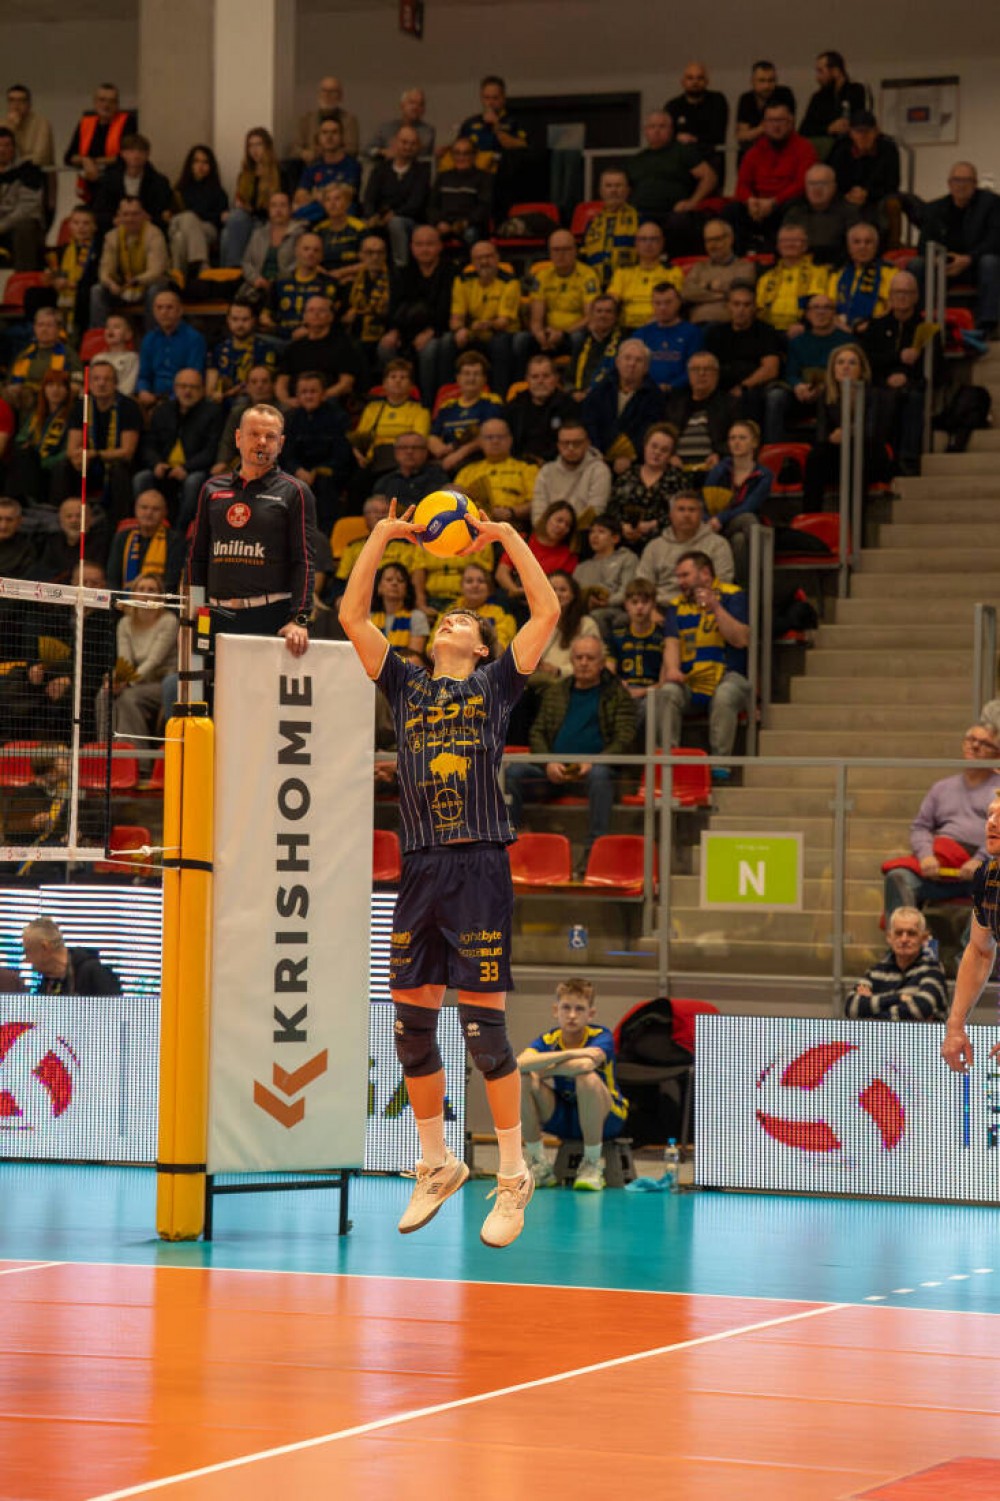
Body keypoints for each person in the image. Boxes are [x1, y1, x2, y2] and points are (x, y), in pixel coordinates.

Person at [339, 494, 560, 1248]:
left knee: (484, 1030)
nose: (451, 622)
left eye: (464, 620)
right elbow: (352, 615)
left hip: (478, 864)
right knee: (410, 1026)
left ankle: (513, 1172)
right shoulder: (404, 685)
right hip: (420, 866)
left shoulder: (495, 685)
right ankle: (436, 1162)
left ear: (481, 645)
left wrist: (504, 536)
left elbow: (547, 610)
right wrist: (380, 535)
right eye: (445, 619)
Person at [186, 402, 316, 658]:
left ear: (281, 443)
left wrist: (299, 620)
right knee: (209, 683)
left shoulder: (295, 491)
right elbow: (197, 557)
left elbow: (304, 561)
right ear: (238, 438)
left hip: (268, 615)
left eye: (270, 436)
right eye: (254, 434)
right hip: (214, 614)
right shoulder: (211, 489)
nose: (262, 442)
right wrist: (194, 608)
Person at [505, 633, 636, 872]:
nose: (584, 663)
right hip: (554, 773)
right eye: (579, 657)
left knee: (600, 776)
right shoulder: (557, 691)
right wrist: (547, 764)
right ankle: (509, 847)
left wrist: (593, 762)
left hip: (593, 774)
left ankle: (594, 853)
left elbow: (624, 739)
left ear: (602, 662)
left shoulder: (617, 694)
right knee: (512, 773)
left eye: (590, 658)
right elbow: (537, 733)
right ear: (572, 660)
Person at [518, 978, 629, 1191]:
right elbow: (519, 1064)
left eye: (579, 1009)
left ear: (591, 1014)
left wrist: (544, 1069)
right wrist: (571, 1054)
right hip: (566, 1116)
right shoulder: (549, 1039)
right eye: (566, 1008)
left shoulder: (602, 1036)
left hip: (608, 1118)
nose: (571, 1015)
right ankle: (539, 1164)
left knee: (585, 1077)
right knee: (523, 1080)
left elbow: (585, 1065)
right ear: (555, 1010)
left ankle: (592, 1165)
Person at [884, 725, 1000, 923]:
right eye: (971, 739)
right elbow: (921, 826)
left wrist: (981, 860)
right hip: (939, 866)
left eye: (984, 743)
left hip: (983, 868)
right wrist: (926, 856)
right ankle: (907, 938)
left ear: (996, 754)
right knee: (898, 876)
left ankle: (969, 945)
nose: (975, 746)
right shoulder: (942, 788)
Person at [659, 549, 750, 777]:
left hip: (728, 676)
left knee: (725, 694)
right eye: (678, 576)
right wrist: (673, 669)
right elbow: (671, 643)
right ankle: (667, 764)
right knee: (667, 692)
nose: (680, 582)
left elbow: (740, 639)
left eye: (685, 575)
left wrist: (715, 607)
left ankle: (720, 765)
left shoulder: (733, 595)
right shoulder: (676, 606)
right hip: (691, 679)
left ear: (706, 574)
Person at [941, 794, 1000, 1074]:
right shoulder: (988, 876)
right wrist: (955, 1026)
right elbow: (979, 951)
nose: (992, 823)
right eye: (990, 815)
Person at [913, 163, 1000, 339]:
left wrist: (968, 259)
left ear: (975, 183)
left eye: (967, 180)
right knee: (916, 265)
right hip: (944, 267)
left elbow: (995, 239)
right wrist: (938, 261)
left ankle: (987, 326)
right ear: (949, 183)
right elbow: (923, 245)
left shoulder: (991, 204)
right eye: (957, 180)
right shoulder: (934, 209)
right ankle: (917, 322)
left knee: (990, 262)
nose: (961, 185)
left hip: (975, 266)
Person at [863, 270, 937, 476]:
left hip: (913, 383)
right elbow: (867, 360)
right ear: (890, 296)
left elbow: (936, 366)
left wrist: (907, 377)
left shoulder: (927, 329)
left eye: (907, 292)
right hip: (881, 382)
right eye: (897, 292)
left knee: (913, 397)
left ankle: (908, 458)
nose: (902, 297)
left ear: (916, 296)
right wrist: (895, 360)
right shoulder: (875, 326)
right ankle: (876, 459)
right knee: (876, 396)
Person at [96, 570, 178, 754]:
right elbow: (125, 660)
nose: (146, 593)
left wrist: (128, 683)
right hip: (136, 681)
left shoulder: (169, 621)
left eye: (152, 589)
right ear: (133, 594)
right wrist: (117, 680)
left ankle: (137, 759)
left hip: (161, 682)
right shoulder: (125, 623)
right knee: (104, 693)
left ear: (160, 596)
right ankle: (105, 752)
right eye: (141, 589)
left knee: (128, 698)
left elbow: (154, 661)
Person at [802, 343, 890, 509]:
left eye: (852, 363)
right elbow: (821, 434)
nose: (846, 367)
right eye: (840, 362)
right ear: (833, 369)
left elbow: (872, 432)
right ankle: (811, 515)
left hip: (868, 454)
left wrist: (848, 432)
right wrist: (832, 437)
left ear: (861, 370)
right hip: (837, 454)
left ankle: (853, 521)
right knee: (815, 457)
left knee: (856, 457)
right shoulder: (826, 396)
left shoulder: (875, 395)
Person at [379, 225, 456, 405]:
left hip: (439, 329)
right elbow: (396, 306)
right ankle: (399, 399)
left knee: (429, 349)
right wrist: (394, 331)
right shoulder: (404, 272)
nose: (424, 249)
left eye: (429, 244)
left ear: (440, 246)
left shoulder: (450, 272)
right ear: (412, 247)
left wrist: (431, 331)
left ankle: (427, 403)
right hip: (408, 329)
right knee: (384, 348)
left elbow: (448, 308)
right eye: (419, 245)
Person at [134, 368, 222, 528]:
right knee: (141, 478)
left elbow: (211, 450)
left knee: (193, 482)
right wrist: (156, 463)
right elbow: (148, 444)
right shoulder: (162, 410)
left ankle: (180, 530)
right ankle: (145, 526)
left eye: (193, 387)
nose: (187, 391)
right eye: (183, 386)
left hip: (194, 469)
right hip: (164, 467)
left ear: (202, 390)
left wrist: (186, 468)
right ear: (175, 388)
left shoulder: (213, 412)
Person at [764, 290, 851, 442]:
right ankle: (772, 448)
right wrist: (798, 386)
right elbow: (791, 373)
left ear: (834, 313)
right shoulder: (798, 342)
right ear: (808, 314)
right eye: (815, 308)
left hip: (833, 394)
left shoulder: (847, 341)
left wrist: (823, 388)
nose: (820, 312)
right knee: (775, 397)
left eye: (826, 308)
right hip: (802, 394)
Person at [728, 103, 817, 251]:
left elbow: (802, 184)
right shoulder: (754, 151)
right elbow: (742, 185)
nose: (776, 126)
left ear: (790, 122)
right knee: (732, 210)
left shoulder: (804, 148)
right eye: (771, 121)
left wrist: (774, 201)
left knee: (795, 208)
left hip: (786, 203)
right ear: (764, 124)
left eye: (780, 120)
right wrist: (751, 201)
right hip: (758, 206)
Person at [703, 281, 785, 427]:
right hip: (722, 386)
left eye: (747, 305)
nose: (741, 310)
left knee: (749, 397)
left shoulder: (765, 332)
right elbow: (707, 364)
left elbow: (770, 369)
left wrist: (743, 387)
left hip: (753, 387)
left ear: (754, 308)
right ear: (728, 306)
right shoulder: (716, 333)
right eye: (736, 304)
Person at [517, 229, 601, 370]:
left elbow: (590, 316)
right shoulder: (542, 277)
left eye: (566, 249)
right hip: (549, 334)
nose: (561, 255)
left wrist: (564, 333)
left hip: (573, 333)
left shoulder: (588, 275)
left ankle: (574, 379)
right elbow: (536, 318)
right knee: (521, 340)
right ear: (550, 253)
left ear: (575, 251)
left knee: (578, 338)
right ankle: (523, 380)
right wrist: (540, 334)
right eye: (556, 250)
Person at [846, 908, 949, 1022]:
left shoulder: (933, 970)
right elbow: (852, 1007)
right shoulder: (875, 971)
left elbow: (921, 1009)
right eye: (898, 933)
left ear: (924, 938)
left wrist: (873, 1013)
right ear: (889, 937)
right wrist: (899, 998)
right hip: (881, 1034)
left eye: (911, 933)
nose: (904, 939)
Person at [701, 419, 772, 585]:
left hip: (740, 524)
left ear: (754, 443)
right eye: (732, 438)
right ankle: (757, 585)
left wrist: (721, 518)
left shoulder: (763, 475)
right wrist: (710, 520)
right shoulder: (720, 469)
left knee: (742, 533)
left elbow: (749, 506)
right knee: (747, 525)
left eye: (742, 438)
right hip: (714, 525)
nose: (736, 442)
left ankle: (747, 591)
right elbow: (705, 501)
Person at [281, 371, 353, 530]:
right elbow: (286, 453)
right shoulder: (290, 418)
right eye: (304, 392)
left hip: (328, 472)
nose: (308, 396)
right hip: (298, 472)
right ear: (297, 396)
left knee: (325, 485)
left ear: (323, 394)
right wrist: (298, 470)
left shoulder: (338, 417)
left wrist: (316, 471)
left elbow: (341, 454)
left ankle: (325, 534)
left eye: (313, 391)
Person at [636, 490, 734, 606]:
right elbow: (643, 585)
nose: (686, 515)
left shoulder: (718, 544)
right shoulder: (654, 546)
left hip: (702, 607)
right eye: (681, 509)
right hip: (660, 607)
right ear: (671, 514)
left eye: (692, 510)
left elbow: (723, 582)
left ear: (701, 515)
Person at [448, 239, 520, 397]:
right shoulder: (462, 280)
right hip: (474, 333)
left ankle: (499, 396)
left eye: (488, 256)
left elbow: (503, 322)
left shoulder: (510, 281)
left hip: (500, 333)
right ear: (472, 262)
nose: (484, 262)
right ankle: (448, 396)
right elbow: (456, 318)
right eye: (479, 258)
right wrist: (460, 330)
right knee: (447, 342)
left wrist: (481, 325)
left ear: (497, 258)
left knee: (499, 343)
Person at [581, 340, 666, 471]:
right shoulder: (601, 389)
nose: (632, 364)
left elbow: (650, 432)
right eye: (627, 358)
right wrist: (598, 455)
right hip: (597, 457)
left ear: (646, 368)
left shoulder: (655, 397)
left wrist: (630, 457)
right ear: (617, 362)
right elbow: (589, 423)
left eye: (638, 360)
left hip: (636, 462)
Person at [626, 111, 717, 233]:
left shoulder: (683, 152)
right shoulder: (637, 159)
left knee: (680, 221)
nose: (656, 130)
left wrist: (692, 202)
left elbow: (709, 177)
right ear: (645, 131)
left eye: (662, 126)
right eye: (652, 127)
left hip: (672, 213)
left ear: (671, 130)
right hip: (639, 214)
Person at [604, 421, 686, 551]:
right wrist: (622, 526)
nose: (657, 452)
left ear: (671, 455)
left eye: (664, 450)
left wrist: (653, 524)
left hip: (664, 544)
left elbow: (683, 513)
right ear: (645, 446)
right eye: (654, 446)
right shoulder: (627, 476)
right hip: (623, 543)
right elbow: (612, 508)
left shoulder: (678, 479)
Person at [89, 196, 169, 328]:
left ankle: (152, 335)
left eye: (135, 214)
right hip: (123, 286)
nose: (130, 219)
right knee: (97, 290)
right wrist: (111, 284)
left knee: (155, 289)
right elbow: (104, 271)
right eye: (126, 214)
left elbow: (156, 271)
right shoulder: (111, 236)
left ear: (143, 215)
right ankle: (99, 335)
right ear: (119, 216)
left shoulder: (154, 234)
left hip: (147, 284)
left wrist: (136, 280)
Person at [274, 292, 360, 406]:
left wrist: (317, 398)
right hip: (296, 403)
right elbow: (281, 382)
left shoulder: (344, 345)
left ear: (331, 316)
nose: (316, 314)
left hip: (328, 401)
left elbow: (346, 383)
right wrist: (286, 400)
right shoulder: (294, 348)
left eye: (321, 310)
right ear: (304, 317)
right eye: (311, 310)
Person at [362, 126, 430, 268]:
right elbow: (369, 198)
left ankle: (400, 267)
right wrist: (372, 215)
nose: (408, 147)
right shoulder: (380, 169)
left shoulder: (422, 171)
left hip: (409, 220)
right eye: (404, 142)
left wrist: (394, 214)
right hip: (380, 217)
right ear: (395, 142)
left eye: (412, 144)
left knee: (396, 223)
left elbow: (415, 204)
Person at [427, 349, 504, 475]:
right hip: (446, 460)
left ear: (484, 379)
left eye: (476, 374)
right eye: (467, 374)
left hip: (475, 460)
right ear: (458, 378)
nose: (471, 378)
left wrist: (458, 454)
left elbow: (487, 436)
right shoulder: (447, 406)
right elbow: (433, 436)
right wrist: (441, 450)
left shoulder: (492, 402)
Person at [607, 576, 665, 740]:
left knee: (648, 706)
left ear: (653, 604)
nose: (640, 607)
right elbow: (609, 672)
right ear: (626, 605)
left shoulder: (663, 636)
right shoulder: (617, 635)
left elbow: (664, 681)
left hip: (652, 691)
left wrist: (643, 691)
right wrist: (619, 684)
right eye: (634, 602)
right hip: (625, 690)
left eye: (645, 602)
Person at [6, 369, 73, 507]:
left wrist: (44, 461)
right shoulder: (36, 414)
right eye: (51, 385)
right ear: (44, 389)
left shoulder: (73, 415)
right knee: (21, 455)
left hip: (54, 467)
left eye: (60, 386)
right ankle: (14, 504)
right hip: (33, 464)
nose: (55, 390)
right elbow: (20, 439)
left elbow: (68, 451)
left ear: (67, 390)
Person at [454, 417, 538, 525]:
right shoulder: (466, 471)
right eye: (489, 437)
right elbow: (454, 501)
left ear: (510, 440)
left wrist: (512, 512)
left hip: (513, 526)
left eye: (500, 437)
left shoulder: (528, 469)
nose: (495, 441)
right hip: (473, 526)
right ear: (480, 442)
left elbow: (536, 503)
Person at [829, 110, 901, 233]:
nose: (862, 136)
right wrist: (849, 194)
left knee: (892, 203)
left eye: (867, 131)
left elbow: (892, 183)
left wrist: (867, 193)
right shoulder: (841, 148)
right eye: (858, 131)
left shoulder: (888, 149)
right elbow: (834, 178)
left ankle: (893, 243)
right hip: (847, 196)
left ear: (876, 132)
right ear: (850, 133)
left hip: (878, 196)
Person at [63, 82, 136, 202]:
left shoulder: (127, 122)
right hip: (90, 188)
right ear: (95, 102)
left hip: (117, 186)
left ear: (117, 105)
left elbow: (126, 156)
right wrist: (85, 160)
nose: (106, 105)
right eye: (102, 100)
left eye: (111, 101)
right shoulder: (85, 123)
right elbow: (69, 157)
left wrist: (93, 162)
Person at [220, 126, 282, 267]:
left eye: (259, 144)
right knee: (228, 230)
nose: (254, 150)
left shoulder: (279, 173)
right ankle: (230, 272)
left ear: (267, 147)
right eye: (250, 146)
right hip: (246, 219)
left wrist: (249, 210)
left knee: (230, 230)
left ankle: (233, 270)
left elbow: (280, 206)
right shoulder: (245, 175)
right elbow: (239, 201)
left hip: (266, 221)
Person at [531, 421, 611, 529]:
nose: (571, 448)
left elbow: (595, 512)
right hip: (548, 533)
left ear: (587, 443)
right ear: (558, 445)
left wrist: (566, 530)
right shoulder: (546, 471)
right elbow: (538, 514)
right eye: (565, 443)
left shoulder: (599, 470)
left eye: (577, 443)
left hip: (583, 533)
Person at [136, 287, 207, 408]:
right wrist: (143, 391)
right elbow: (144, 375)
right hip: (154, 397)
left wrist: (173, 400)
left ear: (180, 311)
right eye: (159, 308)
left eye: (169, 307)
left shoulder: (194, 339)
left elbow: (193, 376)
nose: (164, 312)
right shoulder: (149, 339)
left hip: (184, 398)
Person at [665, 351, 737, 471]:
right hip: (676, 468)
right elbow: (663, 435)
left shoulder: (731, 404)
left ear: (717, 374)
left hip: (715, 469)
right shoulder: (674, 405)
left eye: (707, 369)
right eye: (695, 369)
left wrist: (720, 455)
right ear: (688, 375)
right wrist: (670, 455)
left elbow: (741, 438)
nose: (701, 373)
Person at [91, 132, 172, 237]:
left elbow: (165, 216)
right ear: (122, 154)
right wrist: (114, 220)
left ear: (147, 154)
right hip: (115, 229)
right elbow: (98, 211)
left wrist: (149, 219)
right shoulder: (109, 180)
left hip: (148, 231)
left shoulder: (159, 181)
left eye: (141, 151)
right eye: (131, 151)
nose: (136, 155)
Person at [504, 354, 579, 465]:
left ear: (556, 378)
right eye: (535, 377)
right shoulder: (514, 407)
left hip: (558, 466)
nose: (540, 381)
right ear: (527, 379)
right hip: (519, 466)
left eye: (546, 376)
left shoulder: (569, 406)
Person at [607, 222, 682, 331]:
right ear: (636, 243)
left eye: (654, 239)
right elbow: (610, 302)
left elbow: (674, 305)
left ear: (662, 243)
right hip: (625, 329)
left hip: (660, 327)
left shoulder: (673, 272)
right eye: (643, 239)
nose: (648, 244)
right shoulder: (623, 272)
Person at [169, 143, 229, 279]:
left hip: (207, 229)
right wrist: (196, 215)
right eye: (196, 161)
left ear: (211, 166)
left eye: (205, 162)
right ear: (190, 165)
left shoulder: (218, 192)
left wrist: (195, 215)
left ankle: (178, 277)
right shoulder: (179, 189)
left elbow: (220, 218)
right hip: (181, 225)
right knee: (186, 222)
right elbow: (173, 215)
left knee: (180, 237)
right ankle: (202, 265)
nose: (200, 166)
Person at [496, 501, 580, 599]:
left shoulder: (569, 556)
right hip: (512, 595)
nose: (562, 526)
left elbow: (562, 588)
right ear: (547, 518)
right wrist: (515, 591)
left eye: (567, 525)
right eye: (559, 520)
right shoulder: (522, 540)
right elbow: (501, 573)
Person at [6, 306, 82, 413]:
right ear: (34, 328)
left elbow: (76, 385)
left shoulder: (69, 354)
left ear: (59, 329)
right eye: (40, 325)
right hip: (22, 404)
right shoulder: (24, 355)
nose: (44, 329)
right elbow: (10, 383)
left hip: (54, 405)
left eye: (49, 325)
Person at [106, 488, 184, 592]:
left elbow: (172, 582)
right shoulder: (122, 537)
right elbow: (112, 580)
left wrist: (145, 592)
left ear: (165, 513)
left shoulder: (175, 541)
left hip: (159, 599)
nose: (149, 513)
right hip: (124, 599)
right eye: (144, 507)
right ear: (136, 509)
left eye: (155, 509)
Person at [783, 163, 860, 267]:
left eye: (823, 184)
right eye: (812, 184)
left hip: (838, 267)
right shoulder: (795, 212)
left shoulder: (850, 212)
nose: (817, 189)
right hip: (799, 268)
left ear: (834, 187)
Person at [754, 223, 827, 333]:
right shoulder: (766, 277)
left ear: (805, 245)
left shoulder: (819, 273)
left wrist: (805, 326)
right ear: (778, 246)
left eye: (795, 240)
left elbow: (818, 306)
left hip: (805, 330)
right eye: (785, 241)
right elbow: (759, 309)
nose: (790, 244)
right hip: (769, 331)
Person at [664, 62, 729, 184]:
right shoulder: (673, 106)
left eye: (700, 78)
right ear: (682, 82)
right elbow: (666, 136)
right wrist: (677, 137)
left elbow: (717, 134)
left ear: (707, 81)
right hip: (682, 166)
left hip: (711, 161)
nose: (695, 82)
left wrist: (693, 139)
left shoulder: (717, 100)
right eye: (690, 78)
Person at [205, 299, 277, 408]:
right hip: (221, 401)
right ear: (228, 320)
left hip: (250, 401)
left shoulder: (264, 349)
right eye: (235, 319)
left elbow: (261, 384)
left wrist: (226, 394)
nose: (240, 324)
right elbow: (210, 383)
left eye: (245, 319)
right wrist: (212, 394)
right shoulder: (219, 348)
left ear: (253, 320)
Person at [572, 515, 637, 635]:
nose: (594, 536)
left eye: (601, 532)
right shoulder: (581, 567)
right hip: (583, 611)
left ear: (615, 538)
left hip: (614, 610)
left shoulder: (627, 559)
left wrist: (607, 602)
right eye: (592, 532)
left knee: (595, 616)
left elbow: (628, 591)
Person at [23, 916, 121, 994]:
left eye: (28, 951)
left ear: (45, 947)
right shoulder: (46, 983)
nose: (27, 959)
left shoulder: (95, 973)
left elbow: (115, 1011)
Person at [682, 220, 754, 325]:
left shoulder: (744, 267)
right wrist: (720, 295)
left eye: (717, 239)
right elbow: (686, 293)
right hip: (696, 326)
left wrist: (703, 288)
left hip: (727, 326)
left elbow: (740, 294)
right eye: (708, 241)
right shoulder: (699, 267)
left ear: (730, 239)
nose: (712, 245)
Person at [266, 231, 336, 341]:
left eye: (316, 250)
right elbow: (267, 314)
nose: (311, 253)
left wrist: (308, 330)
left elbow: (332, 319)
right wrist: (271, 324)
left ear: (322, 256)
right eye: (306, 249)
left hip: (314, 338)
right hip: (280, 338)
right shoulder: (280, 281)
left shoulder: (328, 284)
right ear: (296, 251)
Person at [635, 282, 704, 390]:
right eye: (658, 303)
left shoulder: (692, 333)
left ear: (678, 303)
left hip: (679, 392)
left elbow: (695, 368)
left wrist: (672, 386)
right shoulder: (642, 333)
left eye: (668, 302)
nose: (662, 307)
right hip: (644, 391)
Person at [426, 137, 493, 244]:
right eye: (457, 153)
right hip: (443, 225)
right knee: (424, 235)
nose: (461, 157)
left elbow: (484, 207)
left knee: (470, 234)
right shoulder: (443, 177)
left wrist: (462, 224)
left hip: (470, 225)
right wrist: (438, 222)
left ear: (474, 155)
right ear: (452, 155)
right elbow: (432, 205)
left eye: (466, 153)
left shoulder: (484, 178)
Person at [830, 221, 895, 330]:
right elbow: (828, 307)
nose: (862, 247)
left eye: (868, 242)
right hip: (839, 329)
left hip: (876, 329)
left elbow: (893, 309)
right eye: (857, 242)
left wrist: (871, 326)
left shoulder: (891, 273)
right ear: (849, 246)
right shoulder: (837, 274)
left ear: (876, 246)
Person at [581, 168, 638, 289]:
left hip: (629, 287)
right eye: (608, 186)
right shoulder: (592, 225)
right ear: (601, 191)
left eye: (618, 185)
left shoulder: (639, 220)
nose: (613, 190)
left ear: (627, 190)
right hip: (596, 288)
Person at [293, 117, 361, 214]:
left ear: (342, 137)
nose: (329, 137)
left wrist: (318, 194)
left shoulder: (352, 166)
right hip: (315, 213)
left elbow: (346, 194)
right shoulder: (313, 167)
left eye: (334, 132)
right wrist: (317, 196)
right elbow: (299, 196)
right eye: (324, 133)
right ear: (318, 138)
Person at [371, 431, 450, 513]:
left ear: (425, 452)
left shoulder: (439, 478)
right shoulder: (384, 482)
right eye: (403, 447)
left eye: (416, 447)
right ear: (395, 452)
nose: (409, 451)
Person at [0, 125, 44, 270]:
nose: (2, 150)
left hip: (17, 224)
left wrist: (2, 226)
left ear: (14, 148)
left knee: (25, 226)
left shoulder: (28, 171)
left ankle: (24, 278)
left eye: (7, 145)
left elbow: (27, 208)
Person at [799, 51, 869, 142]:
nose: (817, 77)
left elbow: (862, 121)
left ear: (835, 71)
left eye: (821, 71)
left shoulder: (856, 91)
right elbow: (804, 130)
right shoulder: (818, 98)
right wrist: (829, 128)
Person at [293, 76, 360, 164]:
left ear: (340, 96)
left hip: (339, 166)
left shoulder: (349, 120)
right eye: (324, 91)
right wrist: (304, 153)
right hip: (311, 166)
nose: (327, 95)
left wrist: (326, 153)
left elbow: (352, 149)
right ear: (318, 94)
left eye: (332, 91)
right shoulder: (306, 119)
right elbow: (295, 148)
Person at [735, 62, 797, 158]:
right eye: (762, 81)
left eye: (771, 81)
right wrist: (764, 128)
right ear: (752, 81)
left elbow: (788, 128)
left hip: (781, 152)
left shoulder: (784, 95)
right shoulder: (746, 99)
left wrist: (756, 131)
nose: (766, 86)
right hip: (752, 153)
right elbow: (742, 136)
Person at [370, 560, 430, 658]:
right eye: (389, 580)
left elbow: (414, 656)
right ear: (379, 587)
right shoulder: (369, 618)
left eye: (400, 580)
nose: (394, 583)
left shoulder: (417, 617)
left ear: (407, 589)